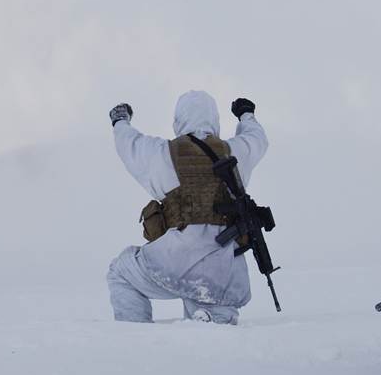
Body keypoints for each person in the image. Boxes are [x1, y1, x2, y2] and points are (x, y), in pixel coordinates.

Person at [106, 90, 269, 324]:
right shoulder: (234, 152)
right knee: (212, 311)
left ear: (177, 121)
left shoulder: (161, 154)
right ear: (215, 120)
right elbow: (257, 139)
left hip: (173, 262)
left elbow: (128, 144)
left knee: (121, 272)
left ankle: (135, 334)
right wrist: (246, 115)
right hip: (221, 272)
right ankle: (211, 317)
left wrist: (120, 120)